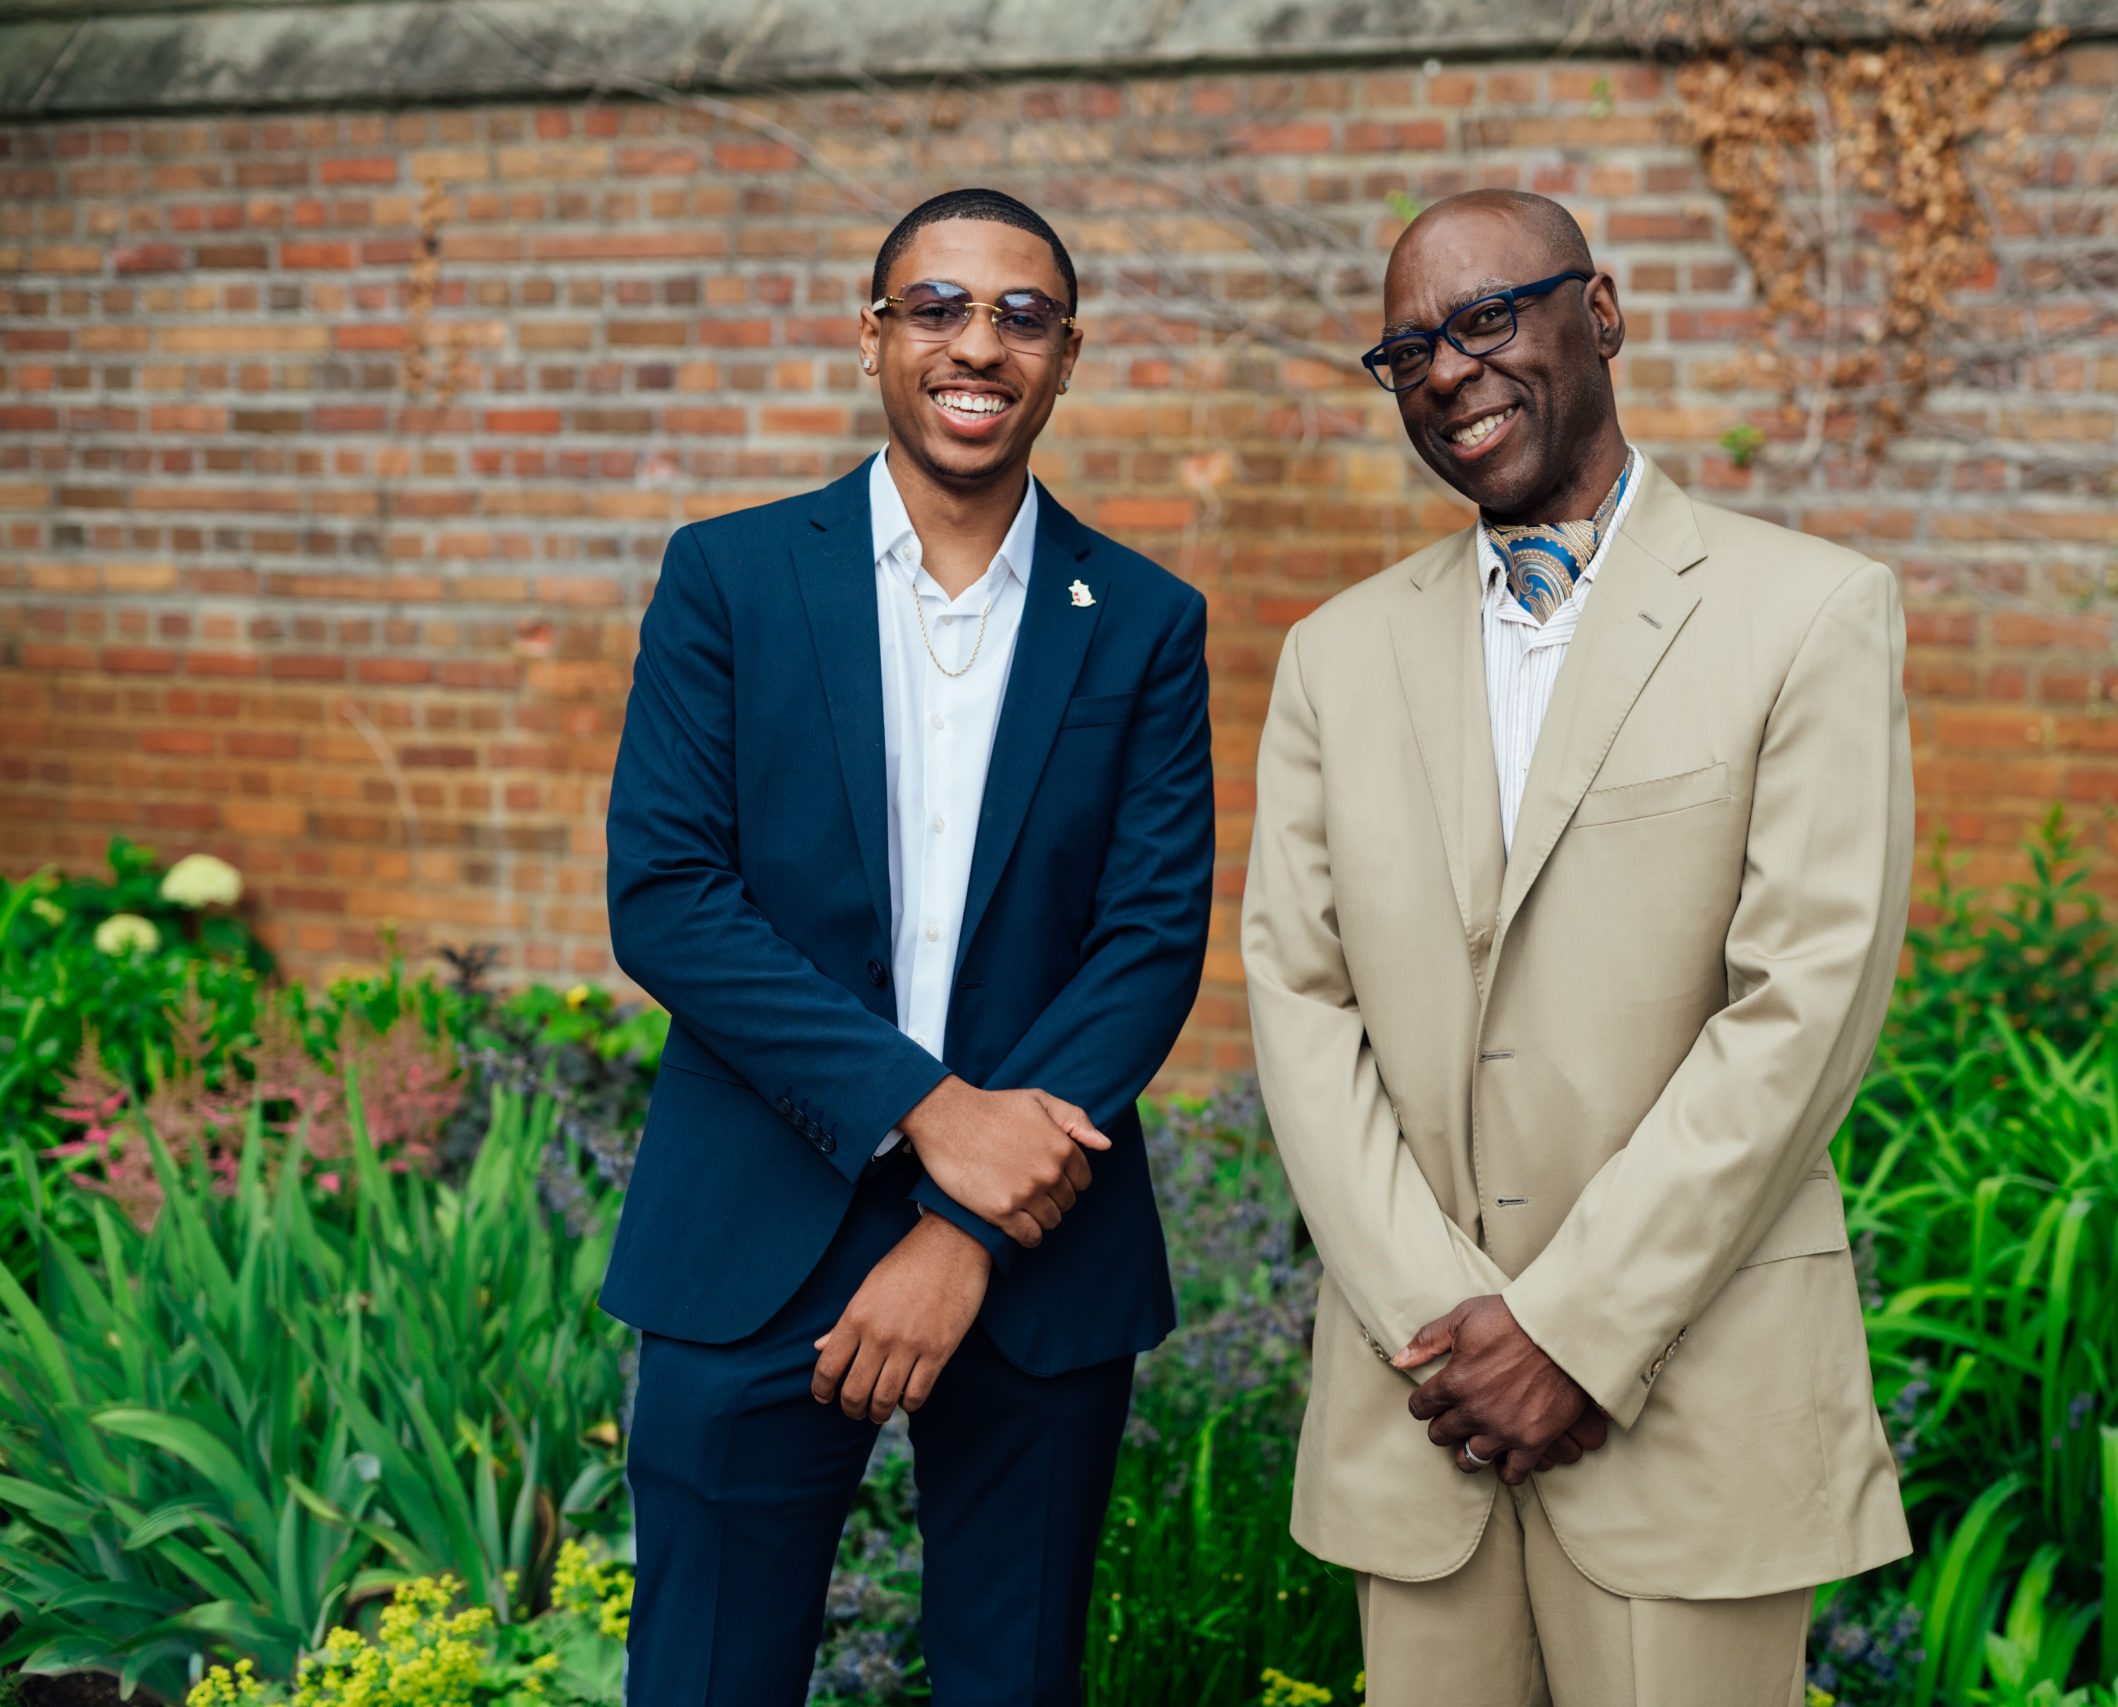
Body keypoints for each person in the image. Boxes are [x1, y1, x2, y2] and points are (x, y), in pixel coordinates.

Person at [1242, 189, 1914, 1705]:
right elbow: (1298, 996)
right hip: (1425, 1431)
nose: (1450, 371)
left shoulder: (1808, 614)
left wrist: (1574, 1332)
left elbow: (1803, 1007)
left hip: (1692, 1414)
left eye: (1489, 319)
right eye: (1408, 348)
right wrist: (1453, 1335)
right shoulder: (1333, 659)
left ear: (1598, 314)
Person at [600, 187, 1213, 1707]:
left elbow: (1147, 941)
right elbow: (667, 895)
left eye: (1022, 316)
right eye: (935, 306)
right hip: (751, 1228)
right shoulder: (729, 580)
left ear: (1068, 358)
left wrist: (966, 1232)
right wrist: (933, 1118)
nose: (976, 344)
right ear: (871, 334)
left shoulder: (1142, 618)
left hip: (1039, 1257)